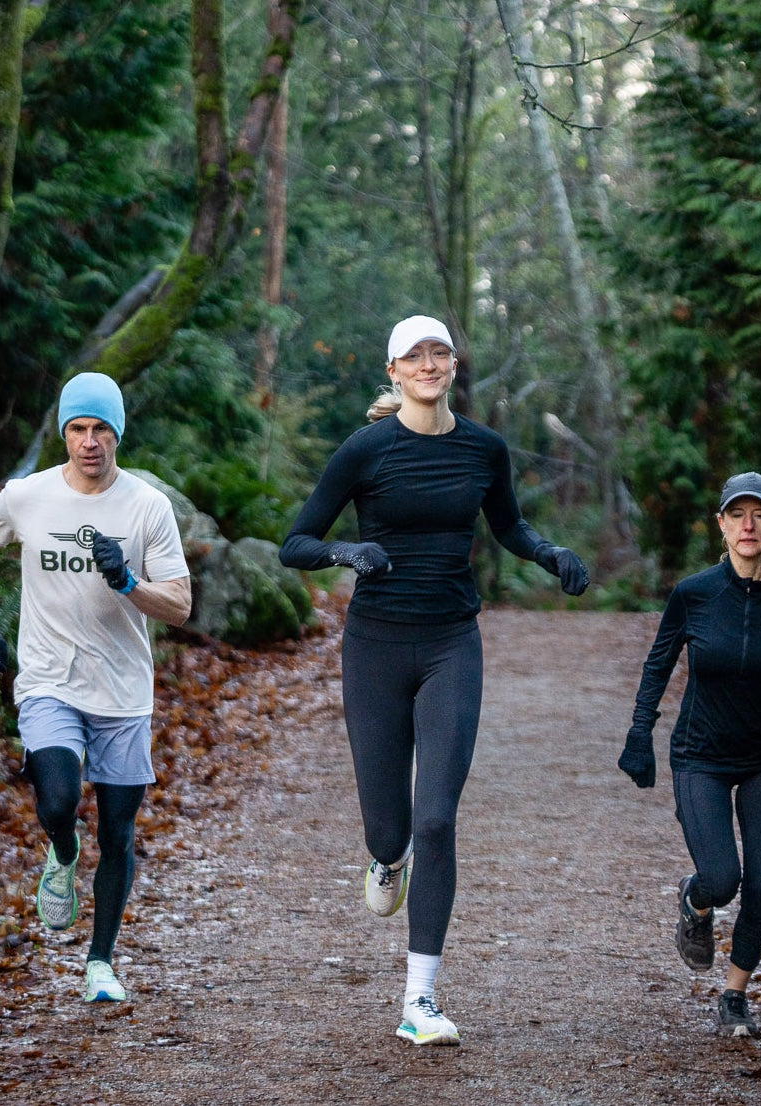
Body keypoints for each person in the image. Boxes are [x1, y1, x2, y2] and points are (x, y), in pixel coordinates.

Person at [279, 314, 590, 1046]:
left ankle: (420, 1000)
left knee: (438, 820)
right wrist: (349, 553)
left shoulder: (483, 448)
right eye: (413, 355)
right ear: (393, 371)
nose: (428, 363)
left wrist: (548, 553)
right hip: (376, 649)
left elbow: (508, 526)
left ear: (454, 363)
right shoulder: (365, 450)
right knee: (390, 831)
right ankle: (386, 860)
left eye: (439, 352)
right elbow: (296, 542)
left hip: (452, 642)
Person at [0, 371, 193, 1004]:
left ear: (117, 434)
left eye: (100, 430)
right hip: (48, 680)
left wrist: (128, 584)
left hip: (122, 691)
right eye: (77, 429)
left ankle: (100, 963)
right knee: (59, 798)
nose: (89, 442)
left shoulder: (147, 506)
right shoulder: (27, 496)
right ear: (65, 433)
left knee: (118, 834)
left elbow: (179, 606)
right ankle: (61, 854)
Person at [618, 471, 761, 1036]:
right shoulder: (694, 594)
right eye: (736, 515)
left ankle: (734, 996)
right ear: (720, 525)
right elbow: (658, 664)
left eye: (759, 514)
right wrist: (639, 734)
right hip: (701, 754)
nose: (748, 525)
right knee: (723, 878)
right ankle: (695, 901)